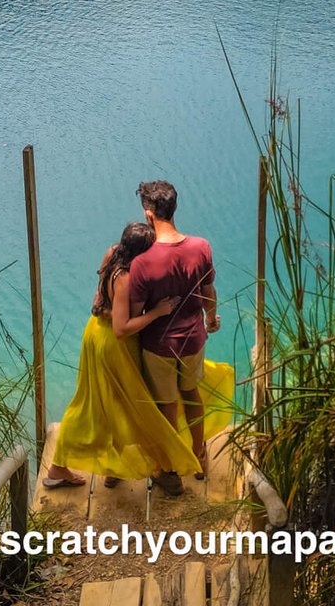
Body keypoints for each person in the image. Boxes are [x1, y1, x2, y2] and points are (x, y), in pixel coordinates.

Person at [43, 221, 230, 488]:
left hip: (94, 335)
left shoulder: (111, 254)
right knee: (115, 405)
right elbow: (122, 328)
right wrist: (157, 312)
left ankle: (112, 468)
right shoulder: (127, 278)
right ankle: (69, 466)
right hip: (115, 344)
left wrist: (103, 309)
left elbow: (99, 300)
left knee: (103, 402)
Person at [126, 180, 220, 497]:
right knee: (191, 393)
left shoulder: (142, 262)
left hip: (159, 346)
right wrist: (211, 317)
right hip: (194, 338)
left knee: (166, 405)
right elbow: (208, 292)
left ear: (149, 214)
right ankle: (200, 455)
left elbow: (136, 313)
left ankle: (170, 467)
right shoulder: (201, 247)